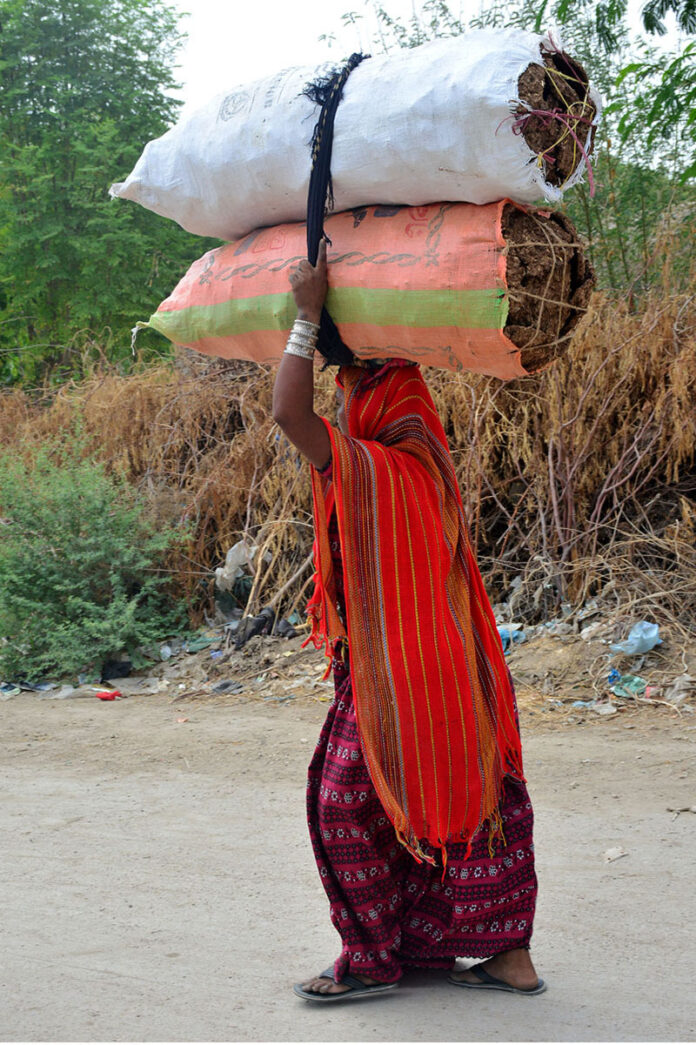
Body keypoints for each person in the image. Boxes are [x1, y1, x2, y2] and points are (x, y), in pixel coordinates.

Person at [272, 240, 543, 1002]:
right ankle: (504, 954)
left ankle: (371, 955)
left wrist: (304, 318)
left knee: (342, 801)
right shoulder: (422, 453)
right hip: (461, 661)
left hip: (401, 673)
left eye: (355, 390)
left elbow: (286, 411)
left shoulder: (379, 467)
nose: (344, 402)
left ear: (377, 403)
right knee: (481, 793)